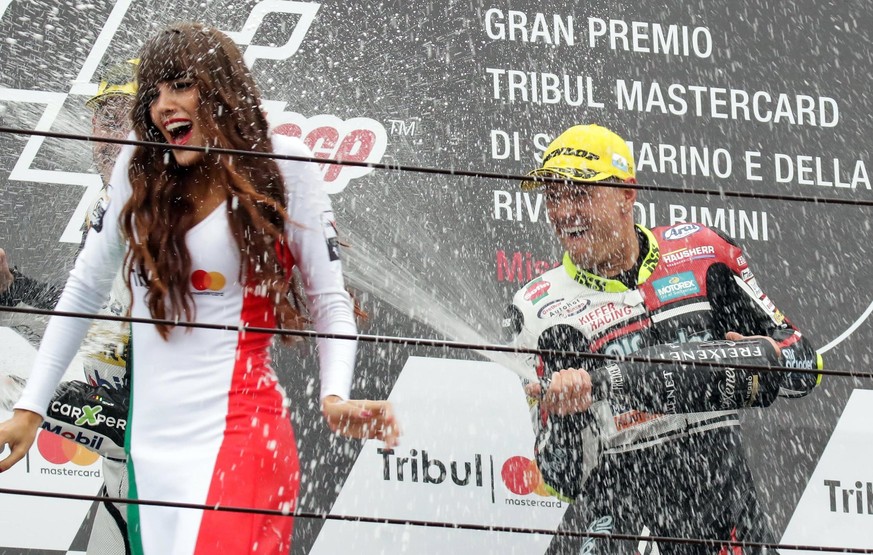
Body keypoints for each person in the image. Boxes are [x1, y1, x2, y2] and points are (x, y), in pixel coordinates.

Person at [0, 22, 399, 555]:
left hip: (239, 432)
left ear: (220, 86)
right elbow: (81, 295)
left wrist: (334, 395)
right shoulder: (135, 170)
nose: (165, 105)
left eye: (180, 85)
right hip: (149, 451)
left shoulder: (282, 165)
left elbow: (329, 298)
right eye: (155, 94)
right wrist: (31, 406)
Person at [504, 124, 821, 554]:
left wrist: (758, 358)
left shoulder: (703, 254)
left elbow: (808, 367)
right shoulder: (536, 310)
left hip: (723, 506)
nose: (563, 212)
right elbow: (559, 480)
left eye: (579, 194)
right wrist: (562, 416)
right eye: (553, 197)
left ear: (627, 194)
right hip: (620, 514)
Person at [0, 59, 138, 554]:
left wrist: (46, 404)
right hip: (121, 467)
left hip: (153, 452)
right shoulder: (102, 211)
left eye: (125, 118)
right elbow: (82, 318)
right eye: (103, 118)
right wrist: (10, 287)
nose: (107, 136)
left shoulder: (168, 215)